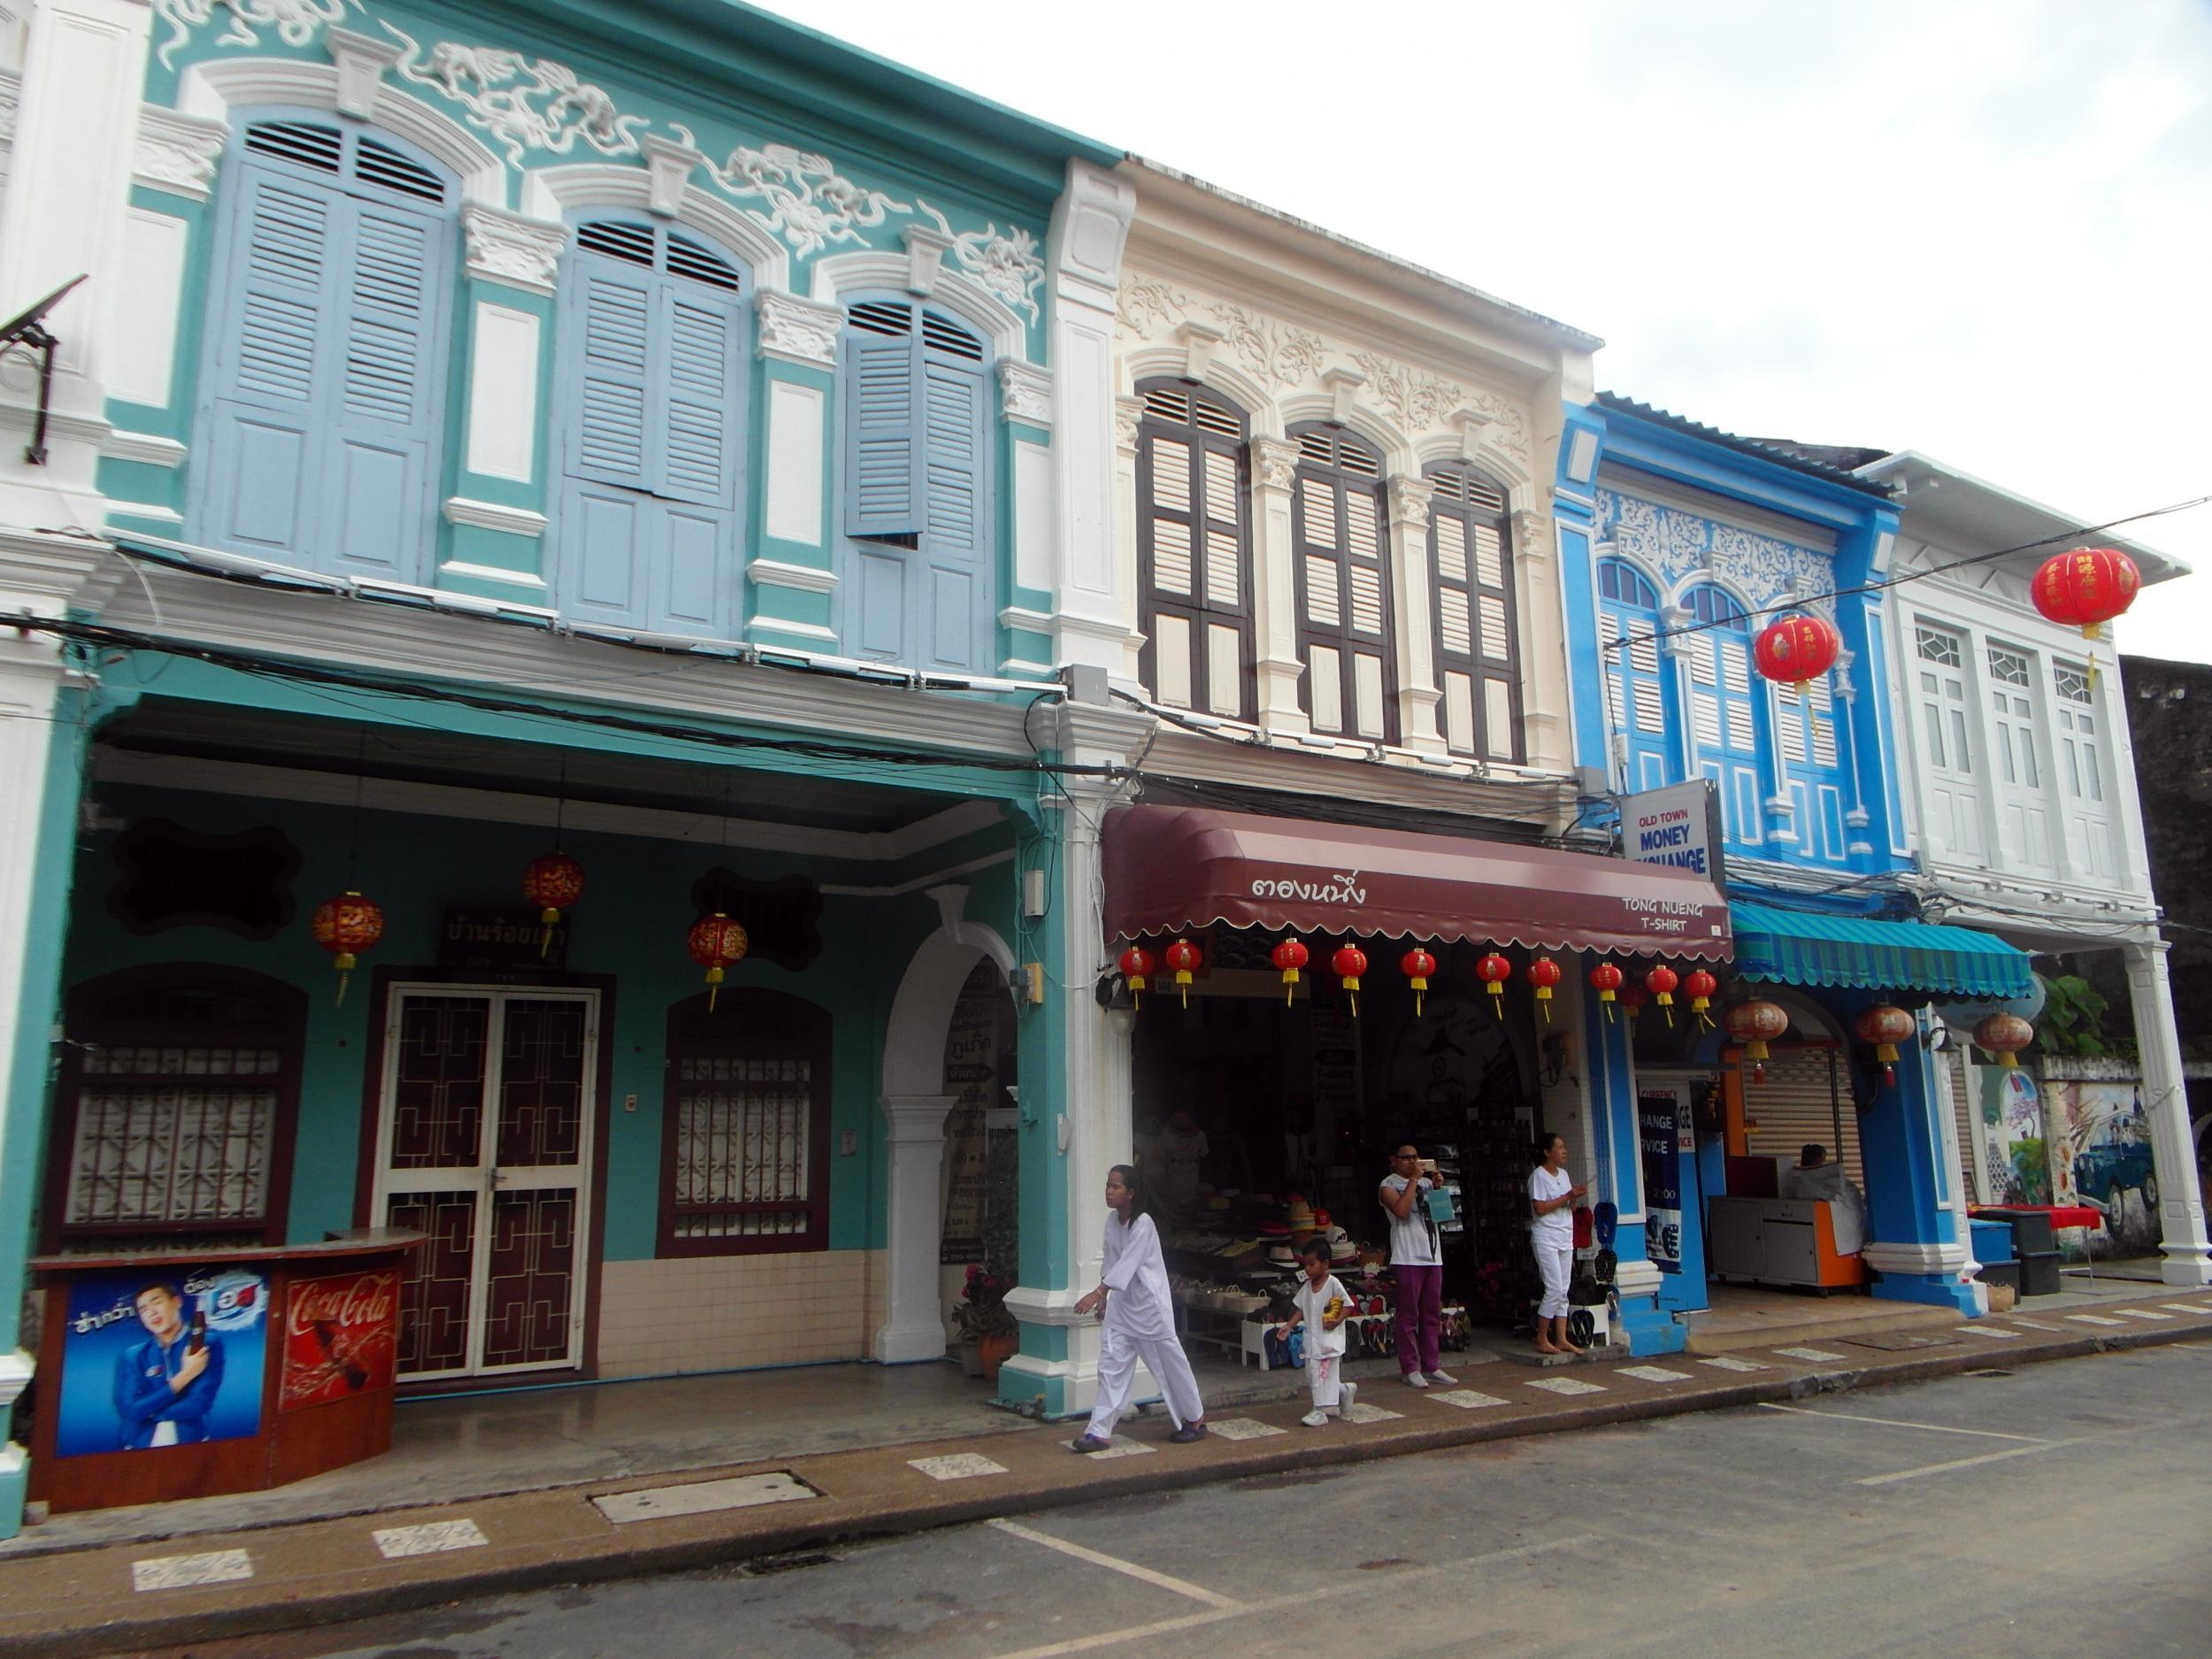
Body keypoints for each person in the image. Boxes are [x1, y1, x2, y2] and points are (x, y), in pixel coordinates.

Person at [1070, 1164, 1208, 1451]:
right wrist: (1105, 1300)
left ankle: (1194, 1420)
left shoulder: (1143, 1223)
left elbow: (1128, 1263)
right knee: (1111, 1367)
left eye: (1115, 1187)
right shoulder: (1111, 1221)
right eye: (1108, 1185)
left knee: (1170, 1365)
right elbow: (1110, 1262)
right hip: (1122, 1307)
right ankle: (1098, 1432)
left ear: (1131, 1193)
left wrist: (1097, 1294)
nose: (1109, 1191)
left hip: (1149, 1308)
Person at [1379, 1141, 1455, 1388]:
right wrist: (1413, 1181)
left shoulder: (1424, 1182)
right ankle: (1410, 1367)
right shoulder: (1388, 1185)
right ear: (1394, 1160)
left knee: (1432, 1313)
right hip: (1407, 1256)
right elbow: (1401, 1211)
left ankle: (1432, 1365)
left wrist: (1438, 1189)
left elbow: (1442, 1217)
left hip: (1432, 1255)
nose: (1412, 1162)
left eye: (1416, 1157)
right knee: (1408, 1315)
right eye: (1406, 1158)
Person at [112, 1281, 225, 1449]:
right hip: (138, 1446)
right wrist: (186, 1375)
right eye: (143, 1310)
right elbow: (130, 1409)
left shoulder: (205, 1343)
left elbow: (198, 1403)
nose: (152, 1313)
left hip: (191, 1443)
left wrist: (149, 1411)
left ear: (176, 1302)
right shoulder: (133, 1356)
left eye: (157, 1302)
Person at [1281, 1235, 1359, 1426]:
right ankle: (1343, 1391)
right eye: (1305, 1264)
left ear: (1325, 1264)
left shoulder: (1333, 1284)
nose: (1307, 1269)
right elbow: (1300, 1308)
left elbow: (1348, 1305)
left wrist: (1337, 1321)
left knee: (1320, 1374)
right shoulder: (1307, 1287)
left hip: (1328, 1340)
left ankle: (1319, 1410)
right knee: (1312, 1374)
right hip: (1313, 1340)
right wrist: (1289, 1326)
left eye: (1311, 1264)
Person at [1528, 1134, 1591, 1356]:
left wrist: (1574, 1198)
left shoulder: (1563, 1174)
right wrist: (1567, 1196)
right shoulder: (1538, 1176)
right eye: (1560, 1147)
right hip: (1546, 1236)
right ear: (1547, 1152)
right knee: (1553, 1287)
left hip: (1565, 1235)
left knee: (1563, 1289)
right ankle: (1542, 1337)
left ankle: (1562, 1337)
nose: (1564, 1151)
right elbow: (1540, 1209)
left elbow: (1569, 1209)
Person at [1779, 1143, 1868, 1255]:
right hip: (1831, 1230)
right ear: (1819, 1159)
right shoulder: (1816, 1179)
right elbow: (1844, 1193)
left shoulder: (1798, 1178)